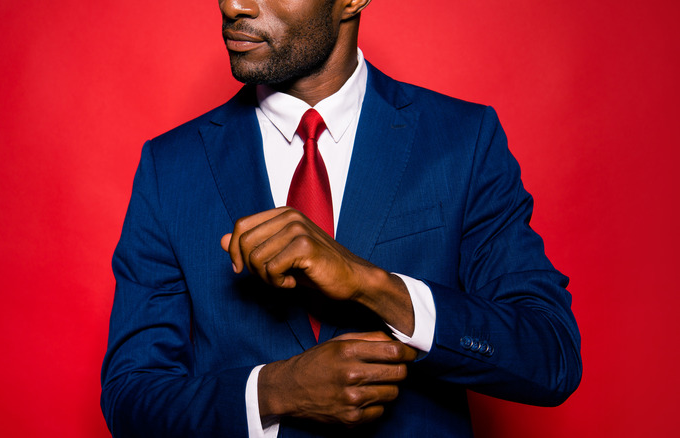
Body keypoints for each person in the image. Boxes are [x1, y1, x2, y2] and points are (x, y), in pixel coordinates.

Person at [100, 0, 582, 436]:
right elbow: (130, 398)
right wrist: (274, 392)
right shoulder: (171, 167)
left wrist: (371, 285)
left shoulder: (462, 141)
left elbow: (551, 356)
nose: (233, 6)